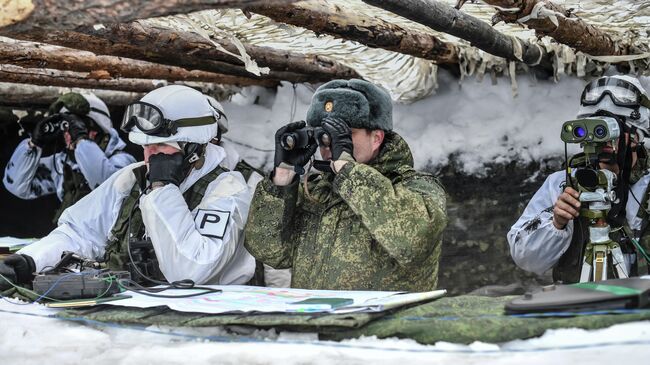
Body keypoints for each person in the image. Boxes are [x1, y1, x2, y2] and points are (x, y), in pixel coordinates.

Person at [0, 85, 255, 290]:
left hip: (203, 333)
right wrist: (29, 261)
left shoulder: (228, 190)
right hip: (133, 319)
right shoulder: (131, 178)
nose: (149, 156)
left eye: (160, 146)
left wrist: (162, 188)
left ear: (193, 146)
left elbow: (191, 272)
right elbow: (80, 233)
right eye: (145, 146)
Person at [244, 79, 448, 291]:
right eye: (324, 136)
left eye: (343, 135)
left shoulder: (417, 187)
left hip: (383, 323)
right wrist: (283, 179)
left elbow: (412, 243)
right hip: (317, 321)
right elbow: (269, 252)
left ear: (377, 138)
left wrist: (349, 171)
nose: (330, 145)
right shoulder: (317, 191)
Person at [508, 75, 650, 283]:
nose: (604, 141)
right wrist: (557, 222)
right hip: (579, 307)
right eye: (596, 130)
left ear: (637, 137)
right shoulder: (563, 184)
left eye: (612, 129)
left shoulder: (646, 185)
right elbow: (526, 258)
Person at [3, 92, 136, 223]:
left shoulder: (123, 162)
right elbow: (17, 186)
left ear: (95, 128)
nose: (67, 135)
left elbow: (105, 187)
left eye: (73, 127)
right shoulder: (64, 164)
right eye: (65, 128)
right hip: (74, 240)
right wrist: (34, 143)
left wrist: (81, 141)